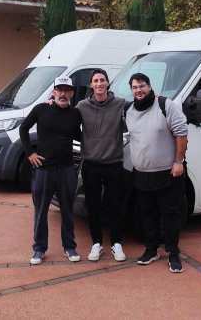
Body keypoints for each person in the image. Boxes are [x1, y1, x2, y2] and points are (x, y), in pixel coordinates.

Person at [124, 73, 188, 273]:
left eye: (142, 86)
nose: (138, 90)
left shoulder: (165, 105)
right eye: (134, 87)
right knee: (148, 214)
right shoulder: (128, 110)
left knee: (170, 214)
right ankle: (151, 249)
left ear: (150, 86)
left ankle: (173, 253)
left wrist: (178, 162)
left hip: (168, 172)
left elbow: (181, 133)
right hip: (142, 173)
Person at [19, 76, 82, 265]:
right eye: (59, 90)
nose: (63, 94)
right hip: (44, 170)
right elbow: (23, 129)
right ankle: (39, 249)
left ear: (71, 93)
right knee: (41, 211)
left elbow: (80, 136)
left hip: (66, 169)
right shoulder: (41, 109)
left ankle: (69, 247)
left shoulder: (75, 113)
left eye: (67, 90)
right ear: (53, 92)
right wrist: (30, 153)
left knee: (68, 211)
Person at [76, 68, 127, 262]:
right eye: (95, 81)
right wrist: (50, 104)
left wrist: (155, 97)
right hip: (91, 164)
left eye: (102, 80)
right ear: (91, 85)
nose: (99, 84)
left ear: (107, 83)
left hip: (114, 163)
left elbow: (139, 110)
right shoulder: (81, 106)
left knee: (115, 205)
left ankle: (116, 243)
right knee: (93, 206)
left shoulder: (120, 104)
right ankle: (96, 243)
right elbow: (67, 118)